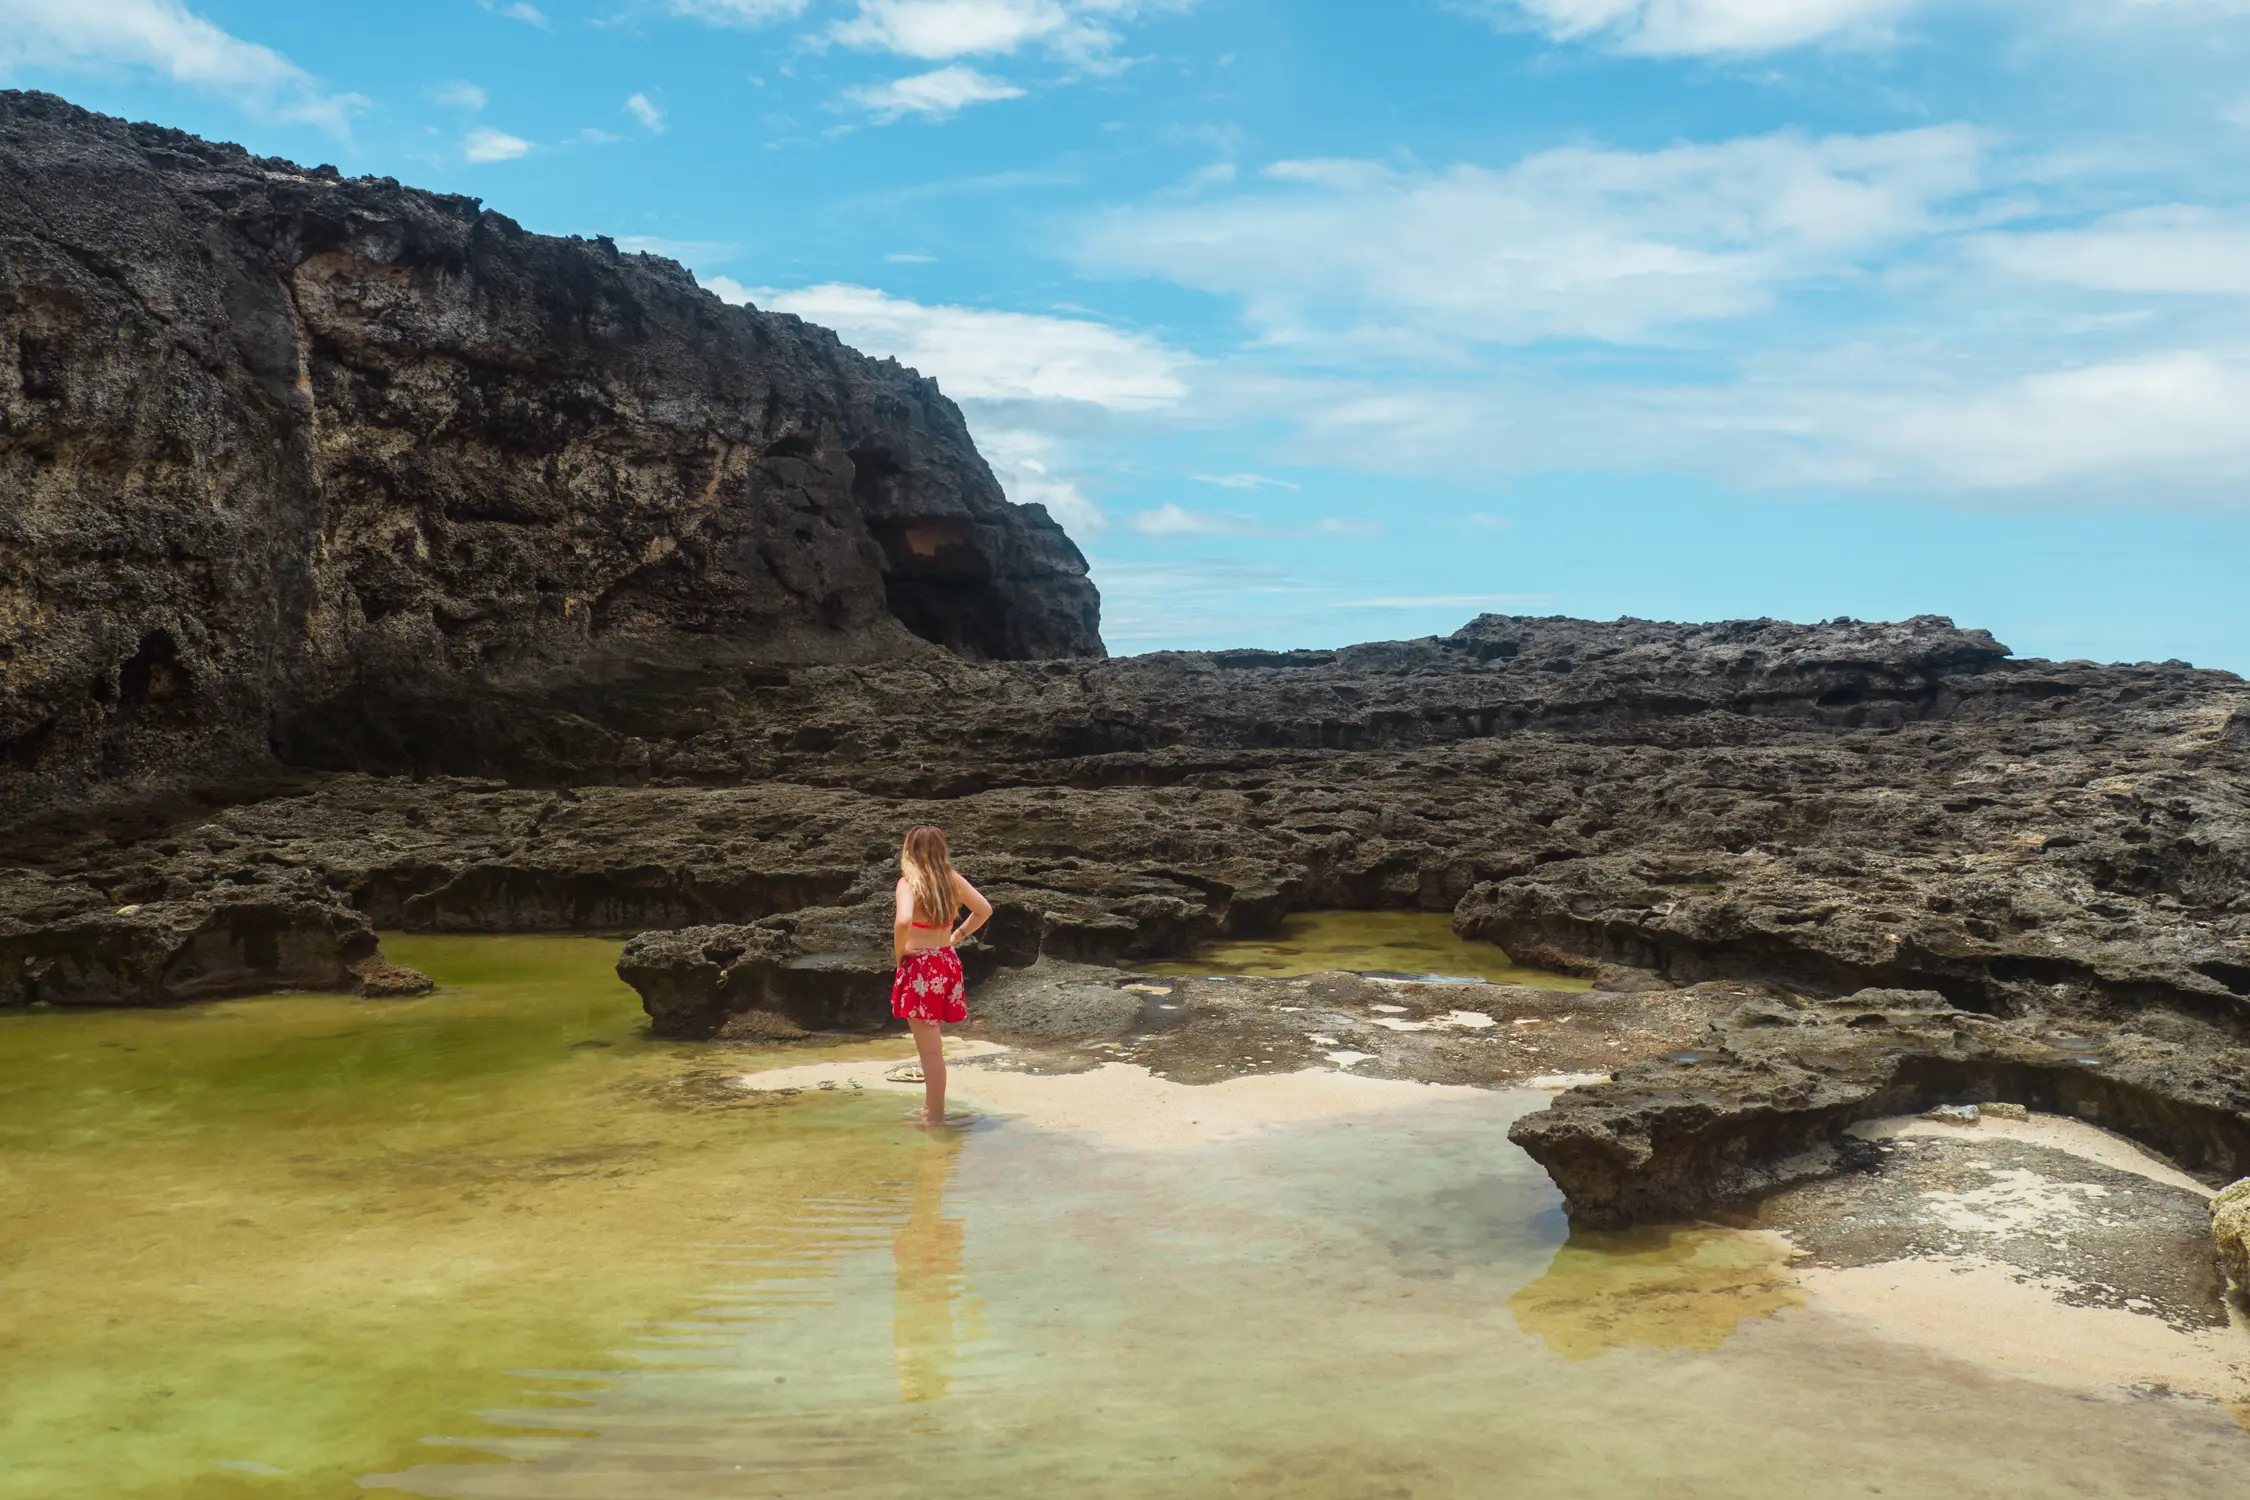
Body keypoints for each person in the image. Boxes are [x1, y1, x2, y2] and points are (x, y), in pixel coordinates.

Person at [892, 824, 991, 1127]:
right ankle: (929, 1109)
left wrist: (900, 953)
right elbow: (984, 909)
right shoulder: (953, 881)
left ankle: (934, 1118)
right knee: (933, 1049)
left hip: (920, 968)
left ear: (910, 850)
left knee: (930, 1053)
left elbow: (904, 920)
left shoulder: (909, 884)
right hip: (946, 963)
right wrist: (956, 936)